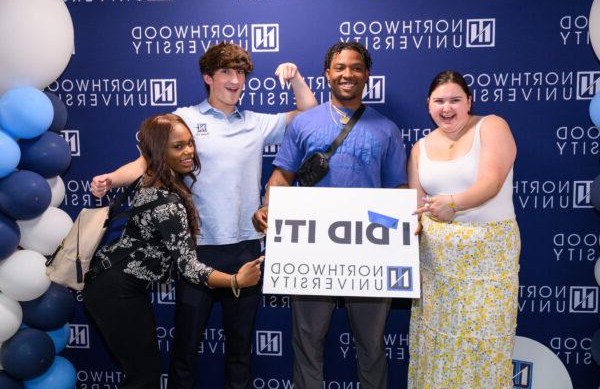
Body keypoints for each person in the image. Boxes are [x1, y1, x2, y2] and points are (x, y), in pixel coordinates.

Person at [91, 43, 317, 389]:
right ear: (208, 77)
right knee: (185, 349)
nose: (235, 80)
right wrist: (111, 179)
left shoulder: (256, 123)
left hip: (246, 247)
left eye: (240, 73)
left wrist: (296, 77)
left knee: (240, 348)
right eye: (227, 72)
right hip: (196, 249)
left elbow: (309, 113)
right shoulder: (185, 120)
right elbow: (143, 163)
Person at [252, 41, 407, 389]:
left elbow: (398, 190)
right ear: (327, 74)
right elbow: (282, 176)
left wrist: (405, 230)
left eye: (355, 68)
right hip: (312, 252)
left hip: (370, 252)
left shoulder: (387, 129)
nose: (347, 74)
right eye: (339, 68)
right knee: (307, 343)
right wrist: (267, 208)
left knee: (371, 345)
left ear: (366, 75)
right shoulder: (305, 123)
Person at [83, 114, 263, 389]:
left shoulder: (154, 180)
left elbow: (140, 163)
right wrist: (235, 281)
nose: (189, 151)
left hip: (116, 284)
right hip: (115, 289)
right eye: (178, 146)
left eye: (190, 143)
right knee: (144, 376)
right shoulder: (167, 202)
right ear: (158, 152)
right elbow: (189, 267)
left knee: (144, 372)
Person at [406, 71, 520, 388]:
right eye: (439, 101)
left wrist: (453, 203)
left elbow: (491, 183)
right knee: (437, 346)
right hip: (437, 268)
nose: (447, 108)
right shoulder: (420, 148)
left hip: (489, 263)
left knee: (484, 344)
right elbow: (415, 206)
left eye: (455, 100)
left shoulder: (492, 126)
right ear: (428, 105)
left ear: (469, 102)